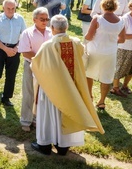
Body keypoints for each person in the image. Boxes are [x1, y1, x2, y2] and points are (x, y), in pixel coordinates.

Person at [30, 15, 104, 155]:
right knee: (66, 112)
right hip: (71, 88)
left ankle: (44, 145)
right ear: (67, 27)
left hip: (52, 89)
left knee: (49, 114)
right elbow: (83, 60)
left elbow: (38, 66)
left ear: (52, 28)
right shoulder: (76, 43)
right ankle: (63, 146)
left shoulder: (48, 45)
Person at [85, 0, 126, 110]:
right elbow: (122, 39)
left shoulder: (97, 19)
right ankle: (102, 101)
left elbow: (89, 36)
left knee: (89, 74)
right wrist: (111, 40)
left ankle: (89, 96)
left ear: (102, 5)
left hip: (95, 50)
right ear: (116, 7)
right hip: (111, 52)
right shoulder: (121, 21)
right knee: (107, 77)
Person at [17, 7, 52, 132]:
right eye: (42, 19)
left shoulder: (51, 32)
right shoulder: (27, 33)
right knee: (29, 92)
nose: (45, 21)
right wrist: (41, 58)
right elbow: (25, 52)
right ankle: (26, 120)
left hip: (47, 67)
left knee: (42, 95)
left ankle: (37, 119)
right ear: (34, 19)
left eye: (47, 19)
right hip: (31, 66)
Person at [0, 0, 27, 106]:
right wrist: (6, 49)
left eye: (13, 8)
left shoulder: (20, 19)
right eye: (8, 8)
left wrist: (16, 48)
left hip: (15, 50)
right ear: (3, 8)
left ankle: (6, 98)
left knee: (11, 76)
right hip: (0, 48)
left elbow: (24, 35)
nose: (10, 11)